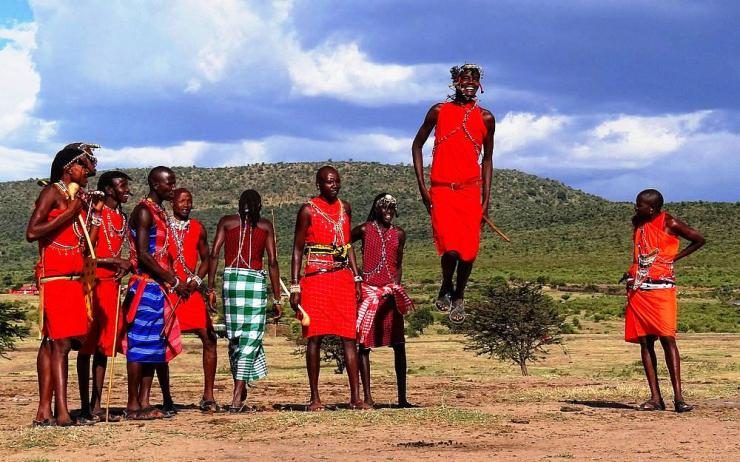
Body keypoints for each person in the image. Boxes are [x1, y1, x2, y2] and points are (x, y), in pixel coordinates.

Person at [411, 63, 495, 323]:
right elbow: (416, 146)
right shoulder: (438, 111)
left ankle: (459, 295)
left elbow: (488, 160)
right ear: (456, 82)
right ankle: (446, 283)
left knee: (468, 250)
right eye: (465, 79)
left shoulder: (486, 118)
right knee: (449, 248)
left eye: (474, 79)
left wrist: (486, 200)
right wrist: (423, 189)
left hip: (470, 191)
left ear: (479, 85)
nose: (469, 83)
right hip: (442, 190)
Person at [26, 143, 101, 426]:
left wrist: (91, 214)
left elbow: (86, 247)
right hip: (55, 278)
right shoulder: (51, 193)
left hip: (74, 280)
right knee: (60, 344)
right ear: (69, 168)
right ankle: (63, 414)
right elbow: (32, 232)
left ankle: (45, 412)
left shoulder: (76, 198)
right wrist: (70, 213)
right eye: (84, 166)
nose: (88, 173)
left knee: (53, 344)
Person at [289, 166, 371, 411]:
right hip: (316, 278)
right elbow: (296, 250)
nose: (334, 185)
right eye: (328, 182)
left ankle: (355, 398)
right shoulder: (307, 210)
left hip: (343, 277)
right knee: (315, 337)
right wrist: (294, 286)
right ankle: (315, 398)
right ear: (318, 184)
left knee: (349, 337)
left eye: (337, 181)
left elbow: (348, 245)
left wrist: (357, 278)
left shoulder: (345, 208)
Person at [625, 189, 705, 413]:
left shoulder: (669, 222)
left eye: (639, 204)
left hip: (662, 289)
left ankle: (679, 399)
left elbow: (699, 239)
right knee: (645, 341)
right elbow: (641, 253)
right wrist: (632, 271)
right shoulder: (638, 222)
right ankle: (655, 399)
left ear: (652, 207)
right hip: (639, 287)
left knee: (668, 338)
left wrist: (672, 259)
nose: (636, 207)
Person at [208, 189, 282, 412]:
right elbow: (273, 263)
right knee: (250, 338)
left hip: (231, 281)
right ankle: (237, 395)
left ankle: (239, 389)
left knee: (236, 338)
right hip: (254, 282)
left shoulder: (227, 222)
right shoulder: (266, 226)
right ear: (259, 206)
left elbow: (214, 255)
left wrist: (210, 288)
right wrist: (277, 297)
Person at [123, 166, 188, 420]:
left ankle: (144, 402)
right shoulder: (143, 211)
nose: (172, 187)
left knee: (153, 344)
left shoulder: (158, 212)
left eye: (173, 182)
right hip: (144, 286)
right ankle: (131, 405)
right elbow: (143, 254)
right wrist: (172, 280)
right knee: (139, 345)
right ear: (154, 183)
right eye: (168, 183)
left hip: (156, 286)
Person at [77, 171, 132, 422]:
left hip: (112, 284)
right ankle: (85, 405)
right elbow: (85, 251)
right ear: (109, 190)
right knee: (87, 346)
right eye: (122, 186)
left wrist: (127, 264)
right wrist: (113, 261)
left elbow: (130, 252)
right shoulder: (94, 213)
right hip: (93, 282)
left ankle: (97, 404)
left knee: (104, 347)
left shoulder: (123, 217)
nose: (127, 190)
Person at [351, 193, 415, 408]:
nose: (388, 212)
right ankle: (367, 397)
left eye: (392, 208)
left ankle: (402, 398)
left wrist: (395, 286)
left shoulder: (399, 234)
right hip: (369, 293)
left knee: (399, 345)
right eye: (384, 207)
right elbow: (344, 246)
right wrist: (356, 275)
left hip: (390, 294)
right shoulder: (364, 230)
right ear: (376, 209)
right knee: (364, 346)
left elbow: (399, 263)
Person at [159, 188, 218, 413]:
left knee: (209, 337)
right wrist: (173, 281)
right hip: (169, 289)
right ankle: (166, 398)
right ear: (172, 202)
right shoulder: (162, 227)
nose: (186, 204)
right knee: (161, 341)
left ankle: (208, 396)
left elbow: (207, 259)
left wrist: (196, 279)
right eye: (182, 200)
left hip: (191, 291)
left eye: (189, 200)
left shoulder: (197, 228)